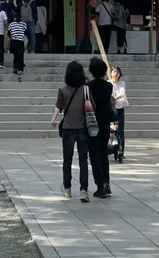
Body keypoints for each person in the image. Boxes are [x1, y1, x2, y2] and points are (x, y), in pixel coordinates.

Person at [52, 61, 90, 202]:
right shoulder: (85, 89)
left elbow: (58, 106)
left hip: (68, 128)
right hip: (82, 128)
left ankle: (67, 187)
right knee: (83, 160)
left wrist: (53, 119)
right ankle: (84, 190)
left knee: (67, 159)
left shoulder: (63, 90)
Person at [87, 57, 115, 198]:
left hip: (92, 122)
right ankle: (107, 183)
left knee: (93, 154)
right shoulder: (108, 86)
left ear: (91, 71)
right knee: (103, 153)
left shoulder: (89, 86)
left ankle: (99, 185)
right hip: (105, 121)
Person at [110, 65, 128, 161]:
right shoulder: (108, 83)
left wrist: (114, 98)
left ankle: (121, 151)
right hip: (110, 109)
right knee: (110, 130)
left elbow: (122, 94)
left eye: (117, 72)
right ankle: (110, 149)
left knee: (120, 131)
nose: (116, 74)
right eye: (114, 72)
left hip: (120, 109)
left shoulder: (122, 83)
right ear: (111, 73)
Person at [8, 12, 29, 78]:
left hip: (13, 41)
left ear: (14, 18)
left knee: (15, 55)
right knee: (20, 55)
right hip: (20, 42)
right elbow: (25, 32)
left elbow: (9, 33)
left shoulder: (11, 24)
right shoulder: (23, 24)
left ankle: (15, 67)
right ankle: (20, 68)